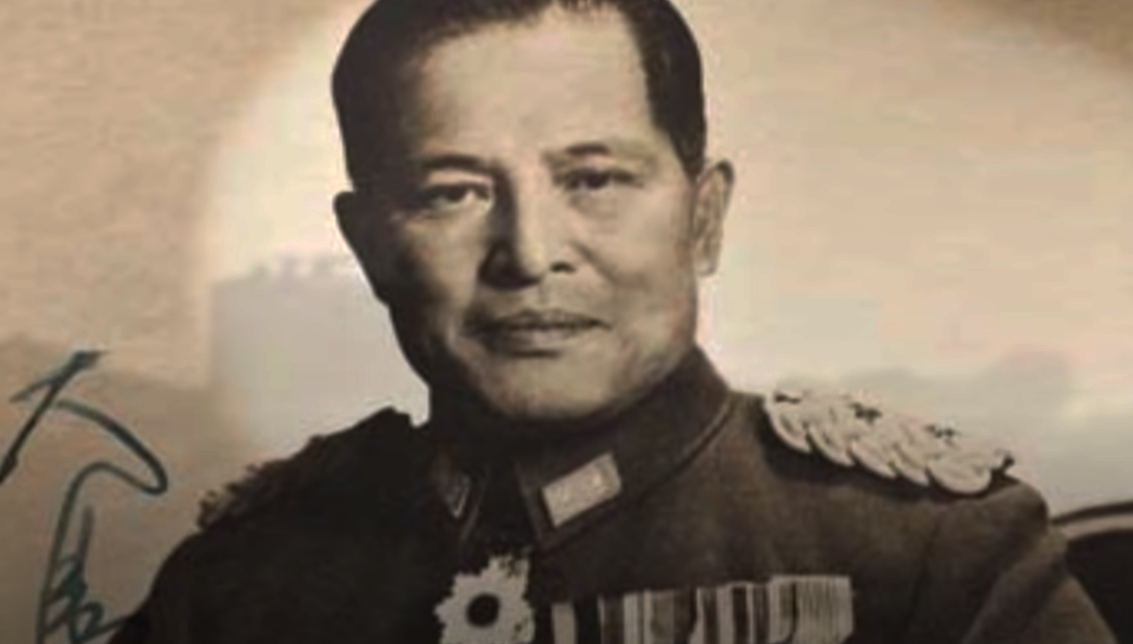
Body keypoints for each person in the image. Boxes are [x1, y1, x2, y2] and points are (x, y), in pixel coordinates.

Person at [110, 0, 1117, 642]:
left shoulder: (931, 551)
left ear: (703, 217)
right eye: (453, 192)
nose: (527, 252)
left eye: (592, 178)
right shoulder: (240, 587)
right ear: (368, 243)